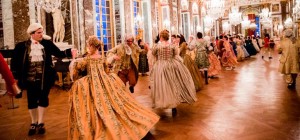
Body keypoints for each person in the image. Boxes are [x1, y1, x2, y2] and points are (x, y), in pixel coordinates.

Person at [68, 36, 159, 139]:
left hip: (92, 83)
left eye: (89, 46)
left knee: (95, 103)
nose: (88, 48)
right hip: (105, 82)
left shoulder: (87, 59)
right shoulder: (102, 58)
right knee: (112, 102)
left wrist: (74, 57)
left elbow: (76, 69)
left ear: (92, 46)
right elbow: (107, 70)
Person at [10, 23, 74, 136]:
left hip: (45, 79)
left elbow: (59, 53)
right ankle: (33, 122)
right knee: (32, 101)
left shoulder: (47, 44)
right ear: (32, 34)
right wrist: (14, 78)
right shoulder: (22, 46)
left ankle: (40, 122)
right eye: (39, 32)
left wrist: (70, 52)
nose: (41, 34)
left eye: (42, 32)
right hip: (29, 80)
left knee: (43, 99)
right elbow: (14, 63)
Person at [150, 30, 197, 116]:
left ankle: (162, 101)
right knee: (173, 84)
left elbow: (153, 54)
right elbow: (176, 54)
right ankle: (174, 106)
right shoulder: (172, 46)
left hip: (160, 66)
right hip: (171, 65)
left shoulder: (157, 46)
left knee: (163, 85)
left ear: (161, 37)